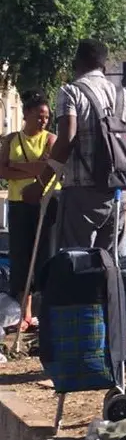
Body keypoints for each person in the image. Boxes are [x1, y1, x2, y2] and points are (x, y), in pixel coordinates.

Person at [23, 39, 126, 254]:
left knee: (77, 261)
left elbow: (66, 140)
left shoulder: (71, 92)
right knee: (109, 264)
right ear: (104, 66)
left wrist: (41, 183)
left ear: (77, 63)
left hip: (82, 193)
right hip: (118, 193)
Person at [0, 91, 59, 330]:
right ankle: (24, 313)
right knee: (20, 256)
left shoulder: (51, 139)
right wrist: (33, 169)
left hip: (46, 203)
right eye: (39, 116)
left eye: (46, 116)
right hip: (18, 204)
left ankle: (45, 312)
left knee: (46, 255)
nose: (43, 120)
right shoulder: (11, 140)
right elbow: (2, 170)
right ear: (26, 115)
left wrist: (18, 166)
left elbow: (50, 167)